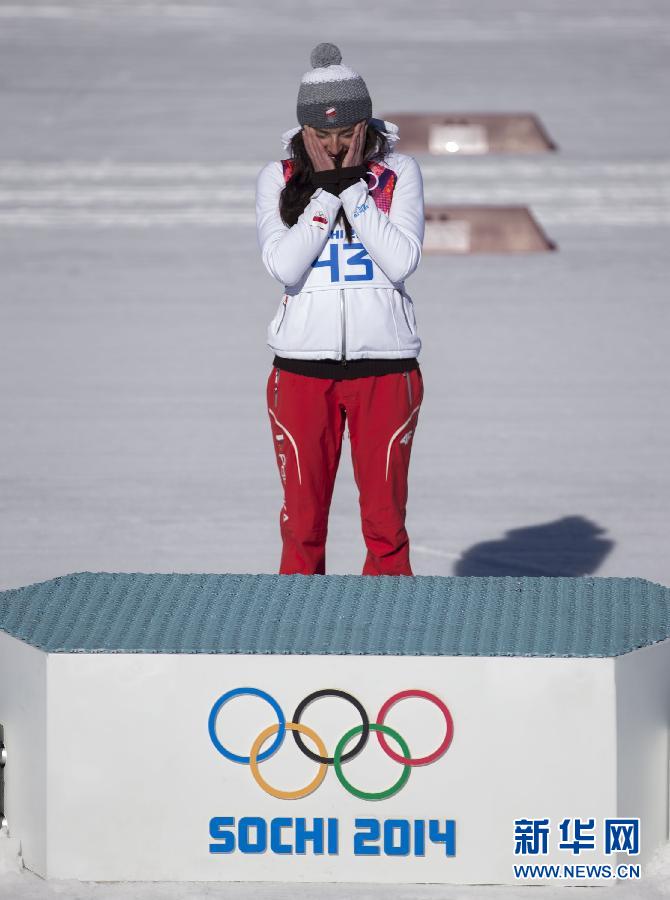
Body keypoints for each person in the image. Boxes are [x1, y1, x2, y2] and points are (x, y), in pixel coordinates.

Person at [255, 41, 425, 576]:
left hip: (387, 368)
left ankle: (395, 639)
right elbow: (285, 266)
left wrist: (353, 190)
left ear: (365, 125)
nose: (334, 146)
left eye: (346, 133)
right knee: (303, 526)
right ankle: (297, 641)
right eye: (322, 135)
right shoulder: (278, 178)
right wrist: (326, 195)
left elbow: (400, 262)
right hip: (301, 371)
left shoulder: (398, 172)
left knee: (385, 524)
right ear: (305, 131)